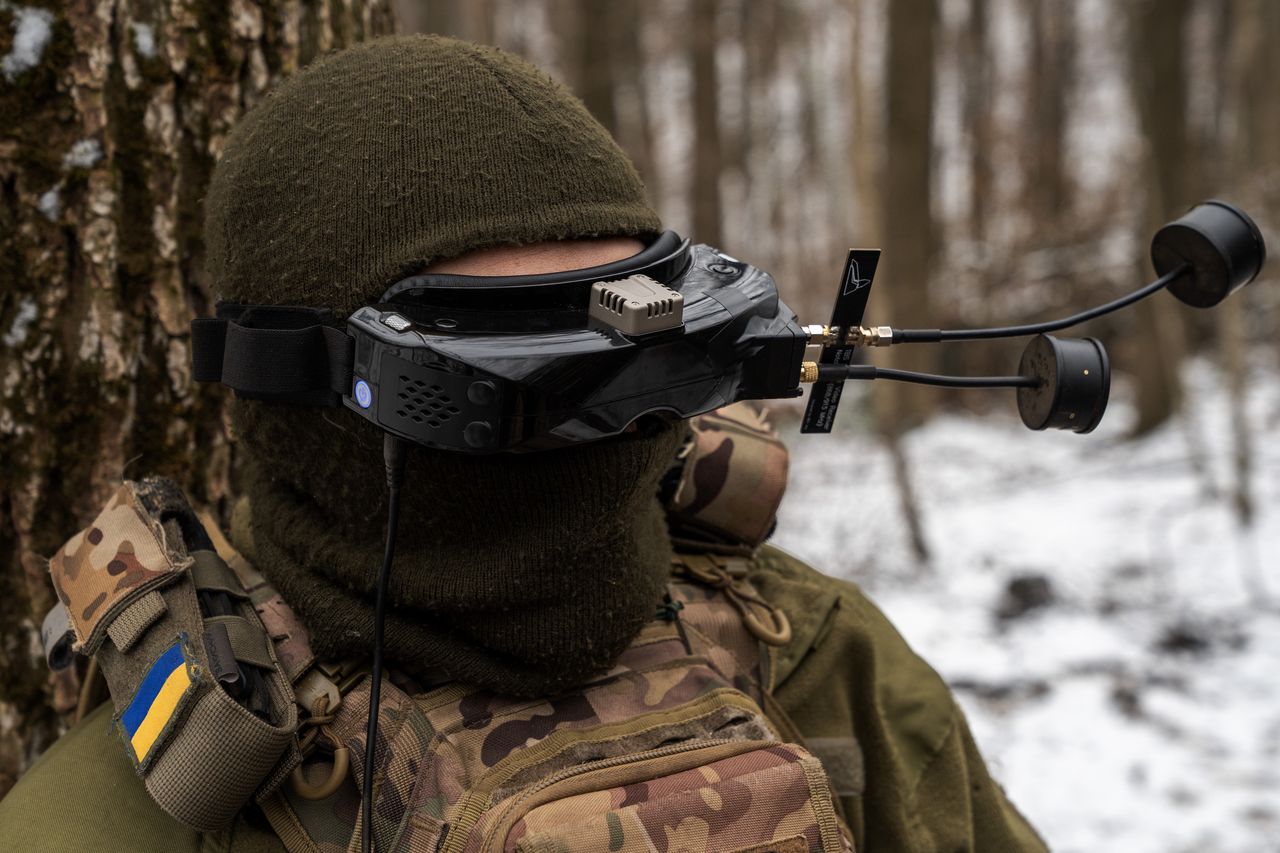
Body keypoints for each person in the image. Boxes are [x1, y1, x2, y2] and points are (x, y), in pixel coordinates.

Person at [0, 35, 1047, 852]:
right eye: (515, 383)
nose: (593, 428)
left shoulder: (818, 656)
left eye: (632, 352)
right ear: (307, 398)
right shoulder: (144, 805)